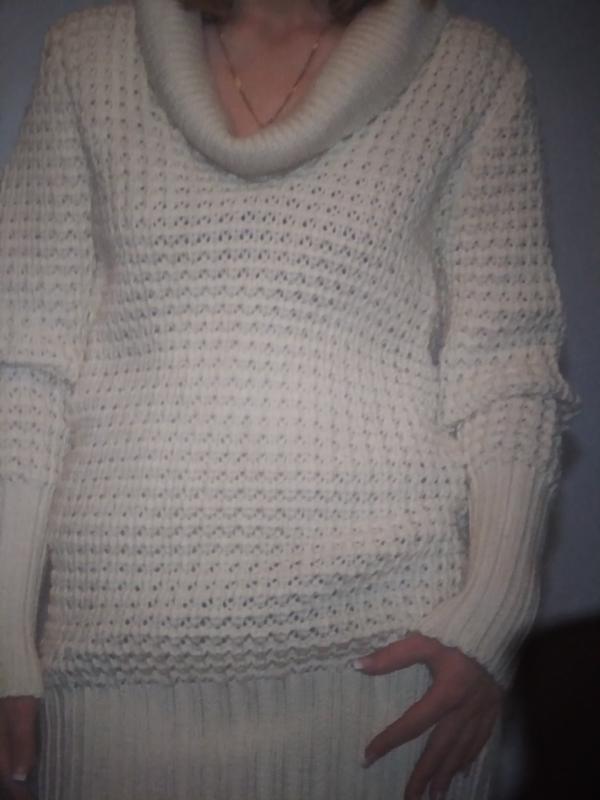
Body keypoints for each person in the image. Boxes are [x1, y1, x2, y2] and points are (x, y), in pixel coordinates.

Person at [0, 0, 577, 798]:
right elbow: (26, 365)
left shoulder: (467, 71)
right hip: (116, 659)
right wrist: (6, 642)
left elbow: (509, 364)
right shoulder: (87, 59)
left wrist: (492, 616)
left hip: (390, 665)